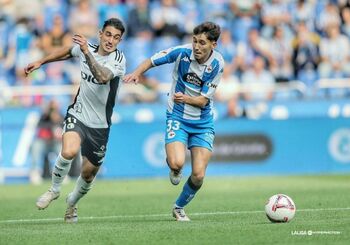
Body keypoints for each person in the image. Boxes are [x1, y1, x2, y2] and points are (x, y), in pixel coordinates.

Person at [24, 18, 126, 223]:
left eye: (116, 37)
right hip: (78, 114)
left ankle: (72, 202)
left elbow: (103, 77)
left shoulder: (118, 60)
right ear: (100, 33)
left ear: (119, 40)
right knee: (69, 151)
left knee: (88, 174)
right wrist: (41, 62)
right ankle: (54, 190)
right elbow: (67, 52)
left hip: (100, 125)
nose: (111, 40)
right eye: (108, 34)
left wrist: (87, 52)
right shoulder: (86, 49)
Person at [124, 21, 224, 221]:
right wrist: (136, 73)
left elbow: (204, 100)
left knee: (198, 175)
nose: (197, 46)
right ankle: (173, 165)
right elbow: (153, 59)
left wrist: (186, 98)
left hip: (202, 122)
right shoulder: (181, 52)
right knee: (177, 163)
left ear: (213, 44)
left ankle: (178, 207)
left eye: (202, 43)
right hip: (177, 115)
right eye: (195, 41)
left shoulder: (217, 64)